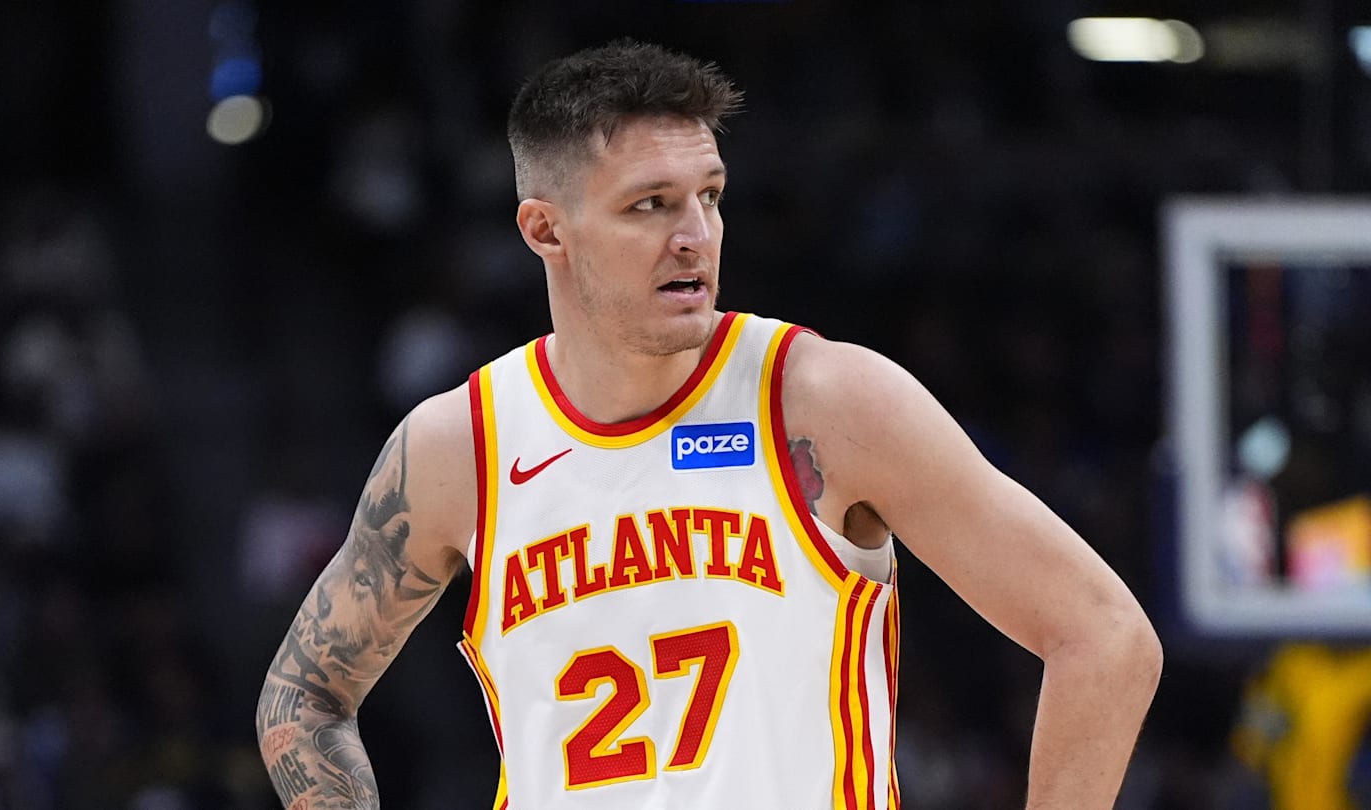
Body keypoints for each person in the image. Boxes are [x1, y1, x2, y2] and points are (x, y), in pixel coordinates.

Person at [255, 39, 1162, 809]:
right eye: (648, 205)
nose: (693, 233)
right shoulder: (458, 449)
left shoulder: (825, 402)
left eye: (709, 196)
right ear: (545, 230)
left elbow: (1105, 637)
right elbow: (303, 695)